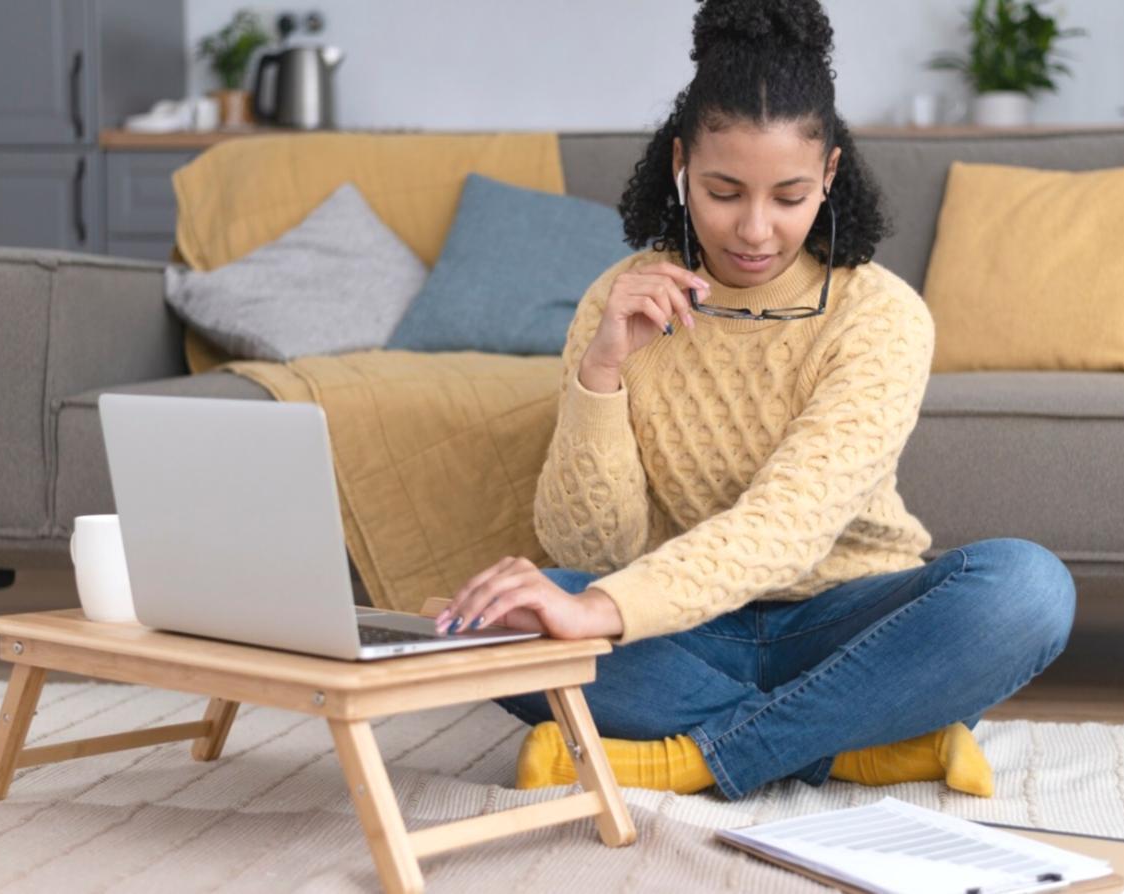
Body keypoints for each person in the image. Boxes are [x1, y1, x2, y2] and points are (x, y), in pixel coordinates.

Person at [433, 0, 1075, 802]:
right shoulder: (621, 299)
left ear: (831, 176)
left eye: (790, 196)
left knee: (1028, 588)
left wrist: (601, 607)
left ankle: (688, 759)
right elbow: (594, 545)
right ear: (681, 168)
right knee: (492, 625)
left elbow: (789, 527)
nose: (756, 230)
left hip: (846, 623)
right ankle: (862, 743)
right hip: (682, 630)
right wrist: (601, 374)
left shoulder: (878, 315)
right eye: (725, 191)